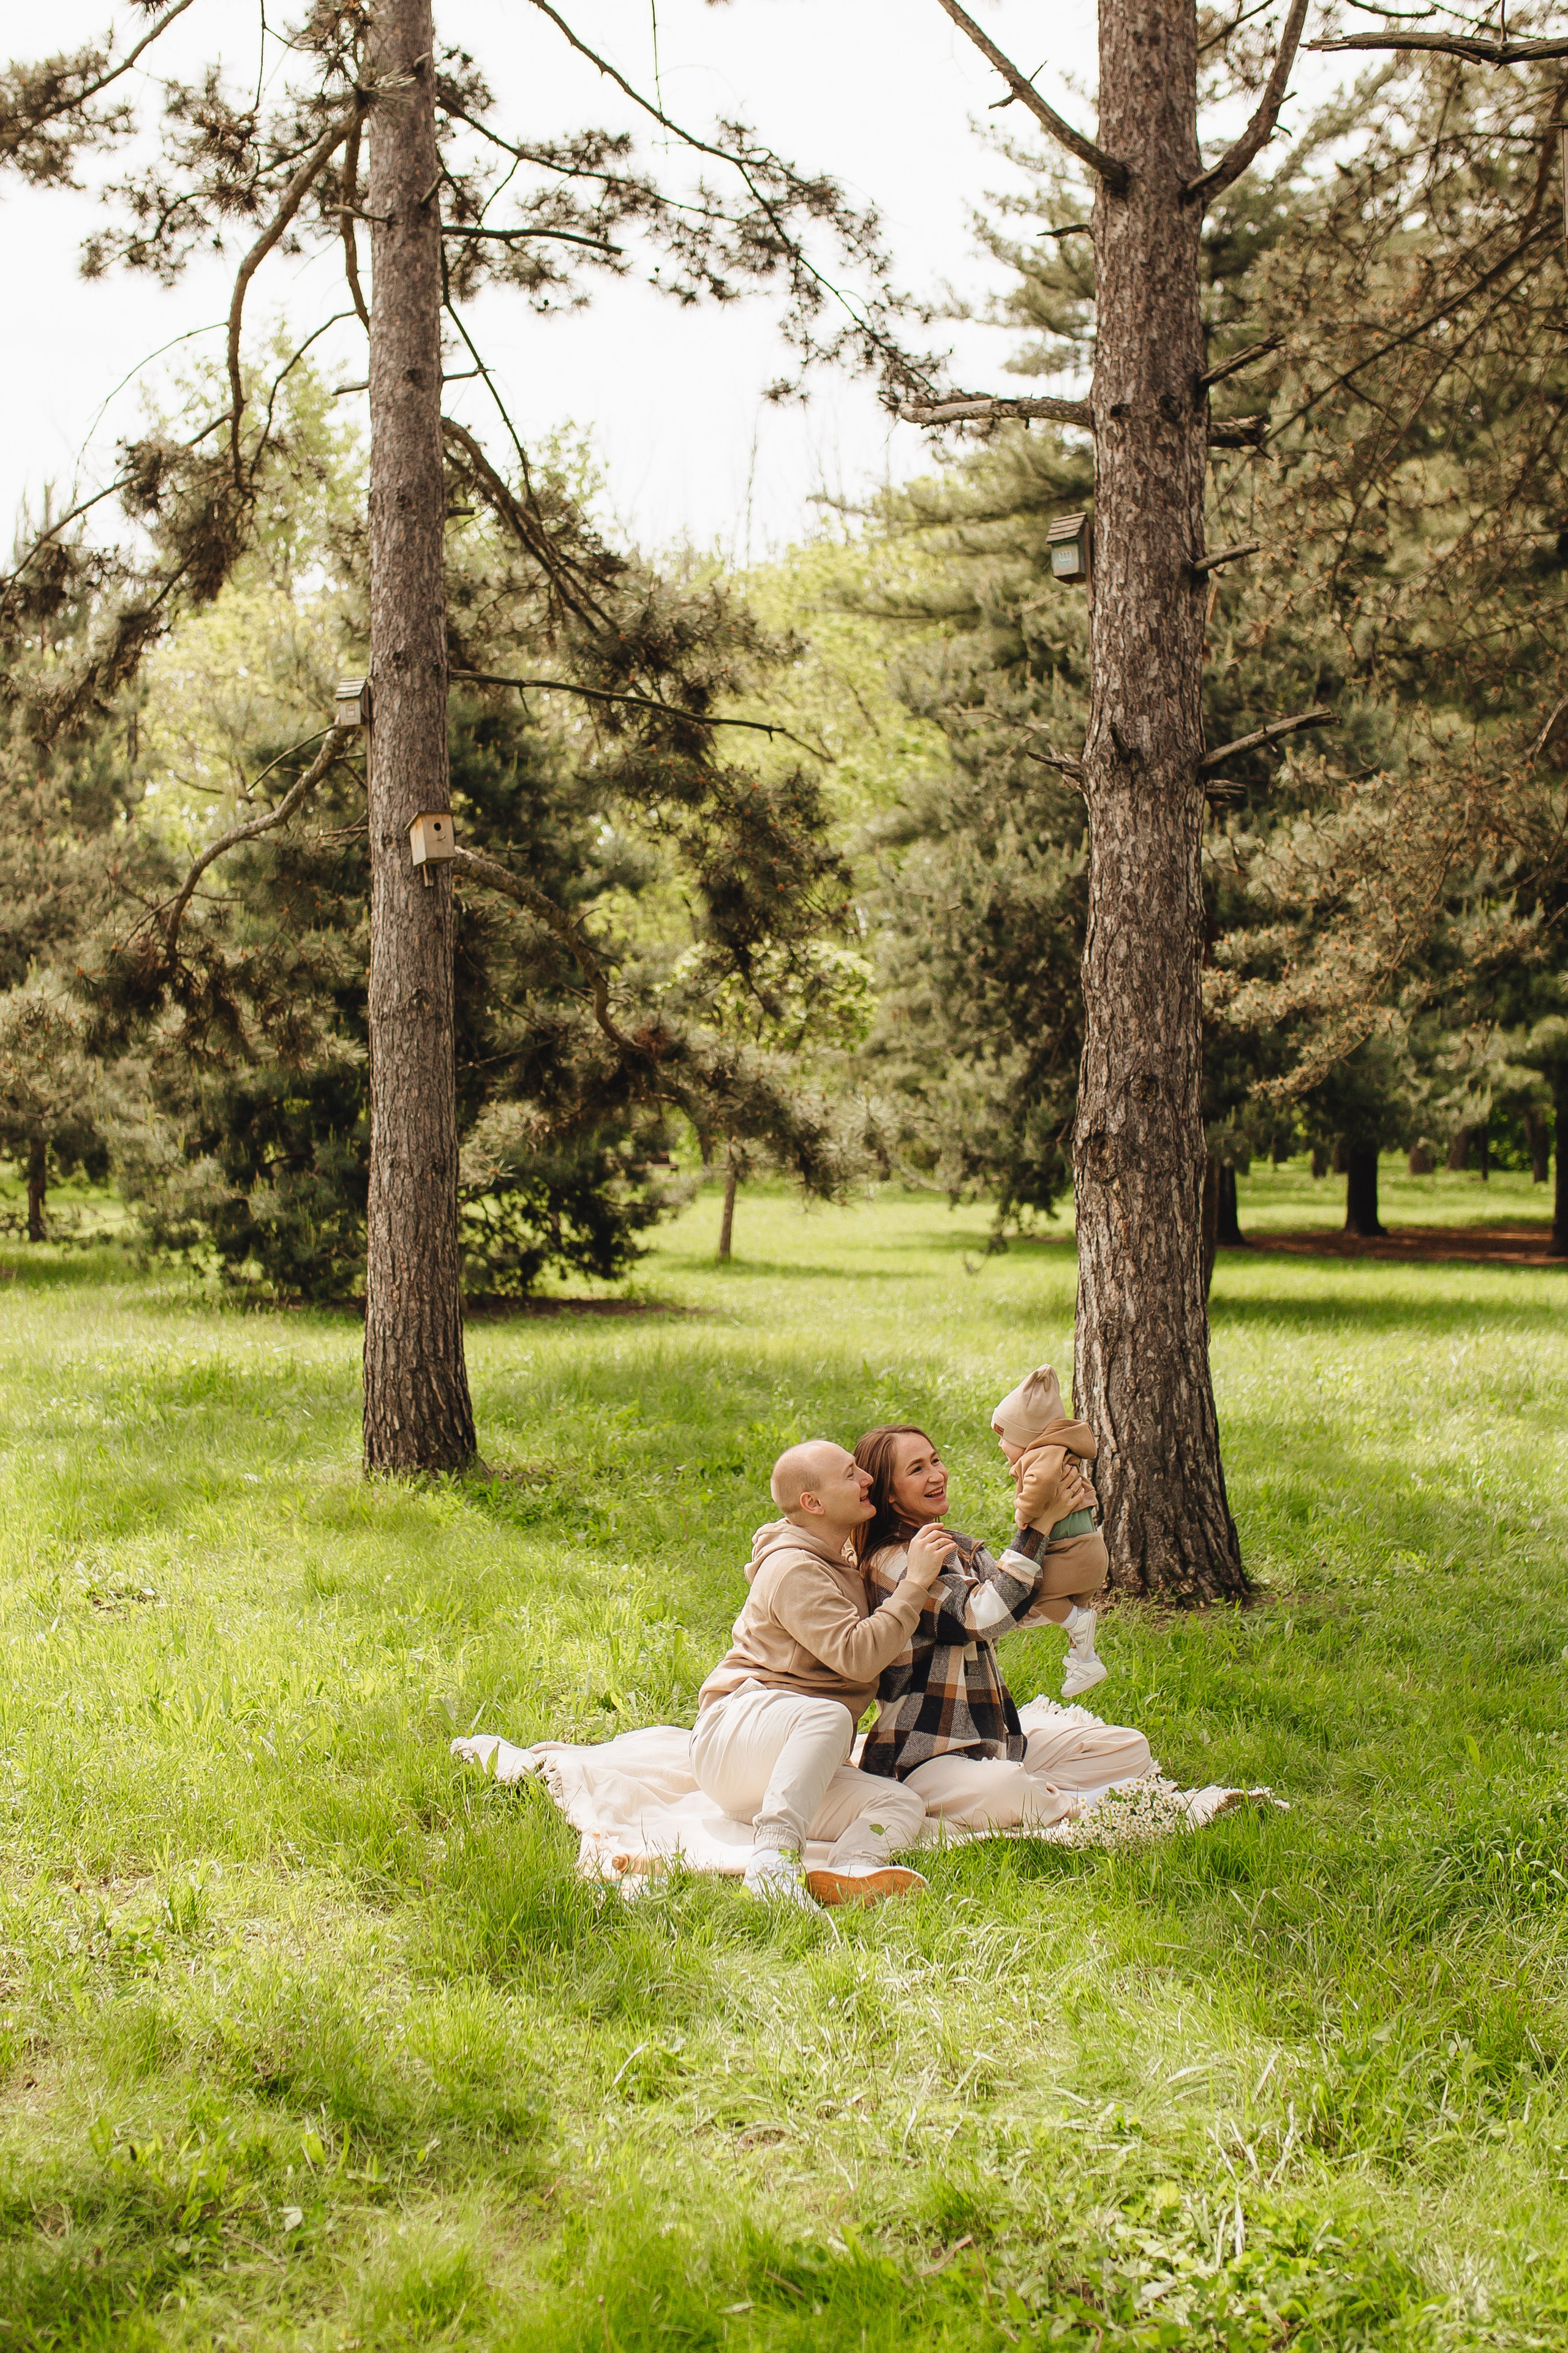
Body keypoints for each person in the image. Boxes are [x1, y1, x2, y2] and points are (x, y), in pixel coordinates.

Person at [691, 1438, 953, 1908]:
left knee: (898, 1803)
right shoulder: (793, 1568)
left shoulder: (836, 1555)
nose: (867, 1479)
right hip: (733, 1742)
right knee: (827, 1716)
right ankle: (772, 1863)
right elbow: (857, 1656)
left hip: (780, 1773)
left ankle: (852, 1869)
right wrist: (915, 1581)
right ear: (812, 1503)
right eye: (852, 1474)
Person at [853, 1424, 1152, 1834]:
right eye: (917, 1469)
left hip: (991, 1741)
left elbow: (1016, 1609)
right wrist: (1037, 1525)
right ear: (889, 1492)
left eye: (936, 1460)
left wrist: (1070, 1529)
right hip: (921, 1757)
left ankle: (1034, 1794)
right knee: (1007, 1788)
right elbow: (985, 1614)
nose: (936, 1474)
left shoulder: (955, 1547)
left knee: (1128, 1748)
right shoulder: (893, 1561)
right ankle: (1072, 1803)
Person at [991, 1362, 1109, 1698]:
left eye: (1005, 1437)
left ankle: (1067, 1621)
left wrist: (1024, 1512)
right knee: (1077, 1612)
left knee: (1035, 1593)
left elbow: (1040, 1485)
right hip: (1087, 1551)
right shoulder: (1059, 1453)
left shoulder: (1042, 1454)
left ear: (1027, 1438)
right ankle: (1085, 1660)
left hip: (1075, 1553)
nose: (1001, 1446)